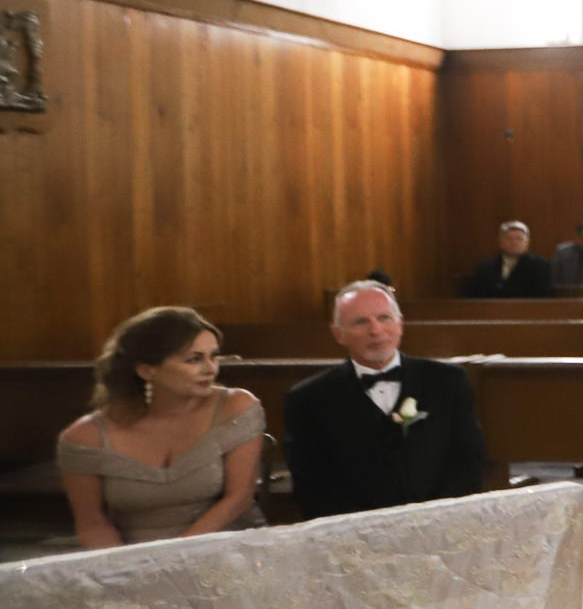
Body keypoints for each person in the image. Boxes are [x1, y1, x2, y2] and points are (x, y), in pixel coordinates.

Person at [58, 307, 266, 547]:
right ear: (147, 370)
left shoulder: (235, 406)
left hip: (222, 546)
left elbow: (238, 498)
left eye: (214, 356)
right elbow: (92, 523)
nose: (211, 369)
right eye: (194, 359)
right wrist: (123, 570)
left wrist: (172, 556)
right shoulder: (85, 437)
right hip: (132, 556)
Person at [285, 284, 487, 518]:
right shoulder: (309, 398)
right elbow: (312, 484)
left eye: (384, 317)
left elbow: (468, 461)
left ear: (400, 324)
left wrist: (438, 518)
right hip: (353, 536)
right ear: (338, 334)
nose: (376, 329)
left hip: (440, 526)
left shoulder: (447, 381)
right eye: (361, 322)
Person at [462, 220, 553, 298]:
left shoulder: (540, 266)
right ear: (500, 242)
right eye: (509, 239)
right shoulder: (485, 266)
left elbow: (540, 296)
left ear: (527, 243)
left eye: (519, 239)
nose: (514, 243)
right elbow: (476, 294)